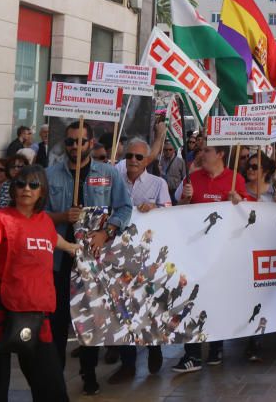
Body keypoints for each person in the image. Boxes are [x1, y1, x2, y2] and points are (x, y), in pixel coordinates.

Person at [0, 165, 78, 402]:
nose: (26, 189)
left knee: (52, 388)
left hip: (36, 314)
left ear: (42, 191)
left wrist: (72, 248)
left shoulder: (45, 221)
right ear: (13, 189)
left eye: (33, 184)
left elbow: (54, 239)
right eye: (20, 184)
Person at [45, 121, 132, 396]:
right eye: (69, 142)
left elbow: (124, 207)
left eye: (80, 141)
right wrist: (61, 217)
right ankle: (55, 377)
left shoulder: (107, 173)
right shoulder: (50, 175)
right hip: (60, 260)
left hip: (94, 261)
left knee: (91, 318)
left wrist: (106, 232)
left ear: (91, 142)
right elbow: (36, 215)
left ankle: (89, 371)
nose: (74, 146)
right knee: (58, 320)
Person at [172, 146, 247, 373]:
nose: (202, 154)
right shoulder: (192, 178)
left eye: (207, 150)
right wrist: (185, 200)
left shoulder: (236, 180)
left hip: (222, 254)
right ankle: (192, 354)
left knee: (216, 299)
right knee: (191, 300)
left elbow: (246, 215)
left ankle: (216, 347)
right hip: (195, 253)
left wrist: (239, 201)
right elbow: (179, 213)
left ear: (221, 154)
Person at [107, 138, 172, 383]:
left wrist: (155, 209)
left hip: (147, 255)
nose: (133, 161)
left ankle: (154, 347)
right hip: (117, 255)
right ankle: (128, 363)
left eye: (138, 157)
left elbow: (169, 211)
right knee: (121, 308)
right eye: (130, 156)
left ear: (147, 160)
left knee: (147, 304)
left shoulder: (158, 184)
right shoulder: (114, 178)